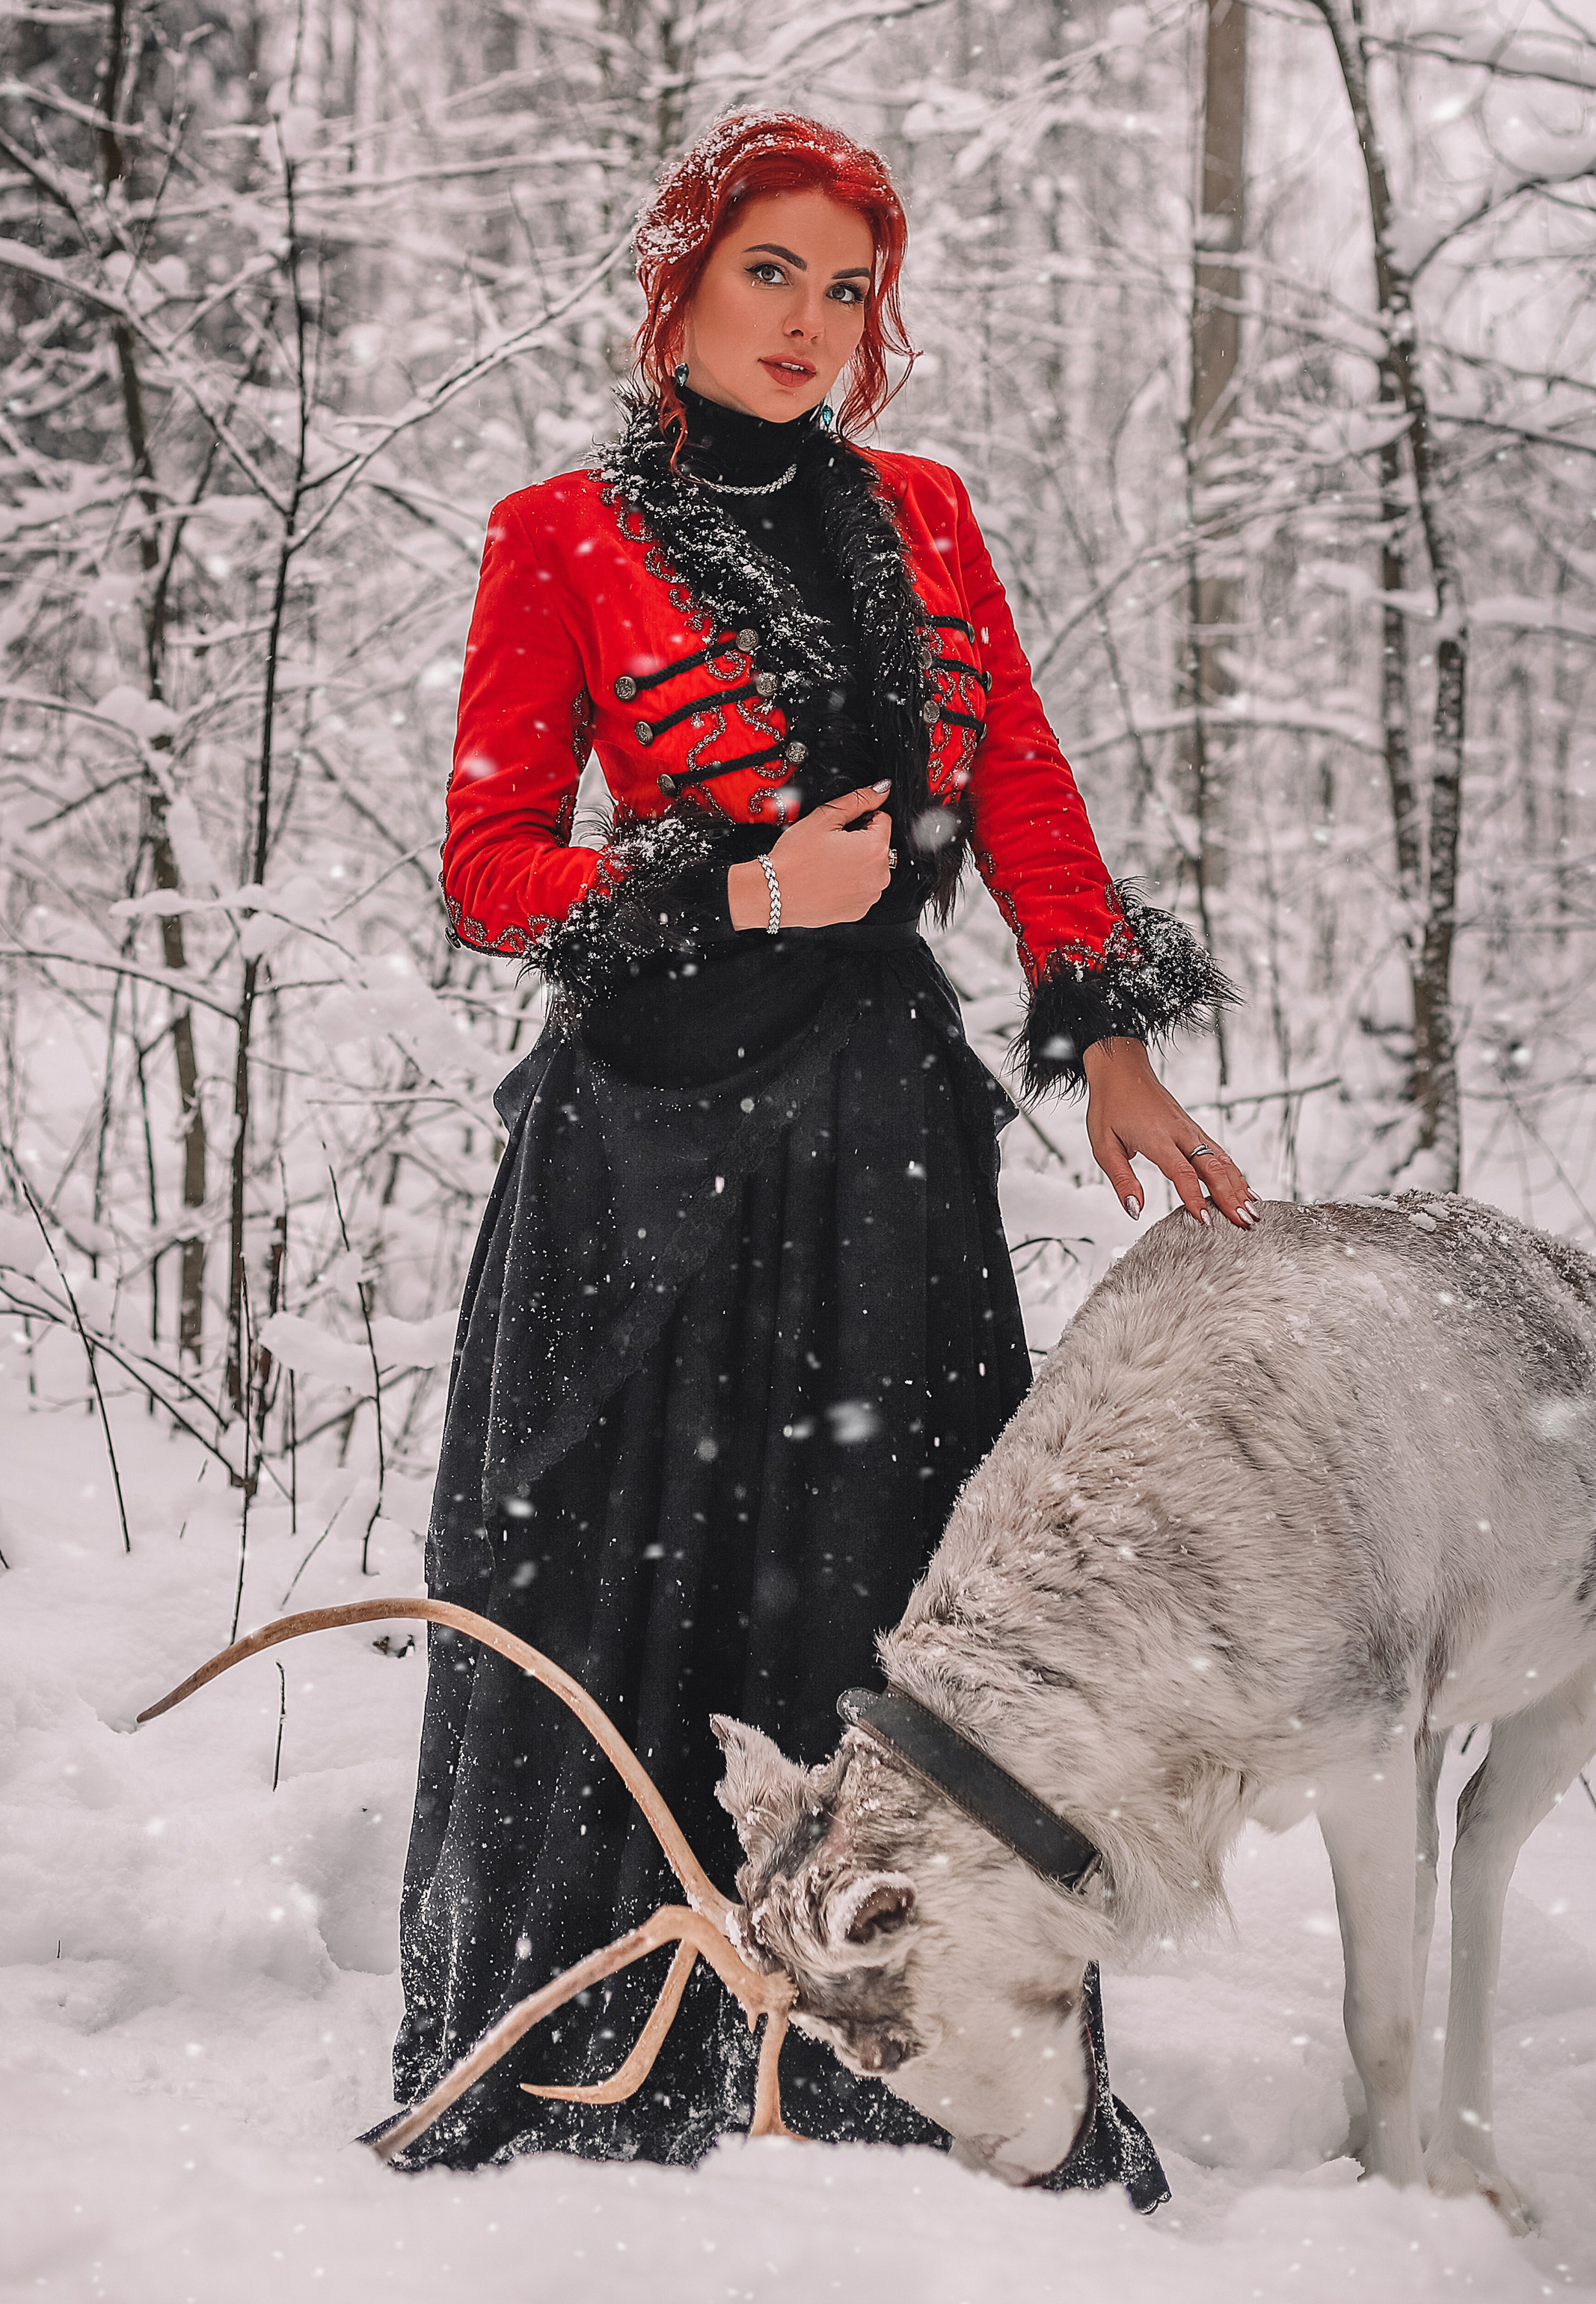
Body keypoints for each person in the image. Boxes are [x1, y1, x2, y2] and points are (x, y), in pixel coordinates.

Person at [392, 108, 1254, 2198]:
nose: (806, 320)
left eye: (845, 287)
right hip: (650, 1151)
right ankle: (598, 2027)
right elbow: (492, 872)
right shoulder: (560, 535)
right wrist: (723, 896)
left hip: (884, 1134)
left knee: (884, 1583)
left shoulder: (934, 519)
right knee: (611, 1575)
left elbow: (1026, 788)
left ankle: (890, 2043)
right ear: (679, 278)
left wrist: (1111, 1029)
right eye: (768, 269)